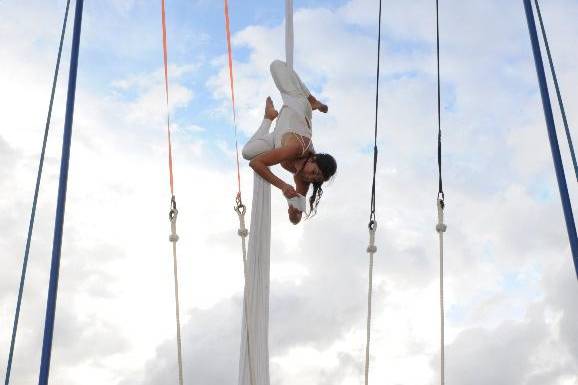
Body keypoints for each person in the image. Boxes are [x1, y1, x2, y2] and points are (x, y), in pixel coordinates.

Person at [242, 60, 337, 224]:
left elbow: (297, 216)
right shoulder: (297, 148)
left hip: (278, 136)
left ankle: (269, 117)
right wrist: (283, 186)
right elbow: (256, 164)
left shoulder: (303, 180)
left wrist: (294, 214)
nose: (309, 177)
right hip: (297, 105)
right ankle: (312, 99)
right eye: (314, 172)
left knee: (246, 153)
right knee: (276, 66)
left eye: (315, 179)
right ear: (313, 159)